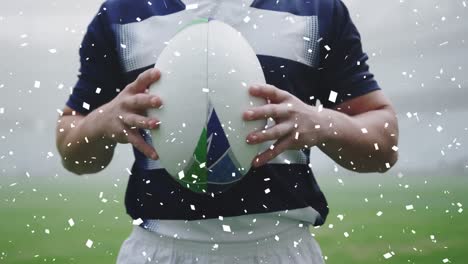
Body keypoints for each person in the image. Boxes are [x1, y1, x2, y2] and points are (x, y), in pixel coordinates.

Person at [56, 0, 399, 263]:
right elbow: (72, 149)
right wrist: (101, 122)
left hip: (281, 249)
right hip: (161, 250)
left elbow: (384, 144)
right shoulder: (124, 12)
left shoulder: (315, 8)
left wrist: (321, 123)